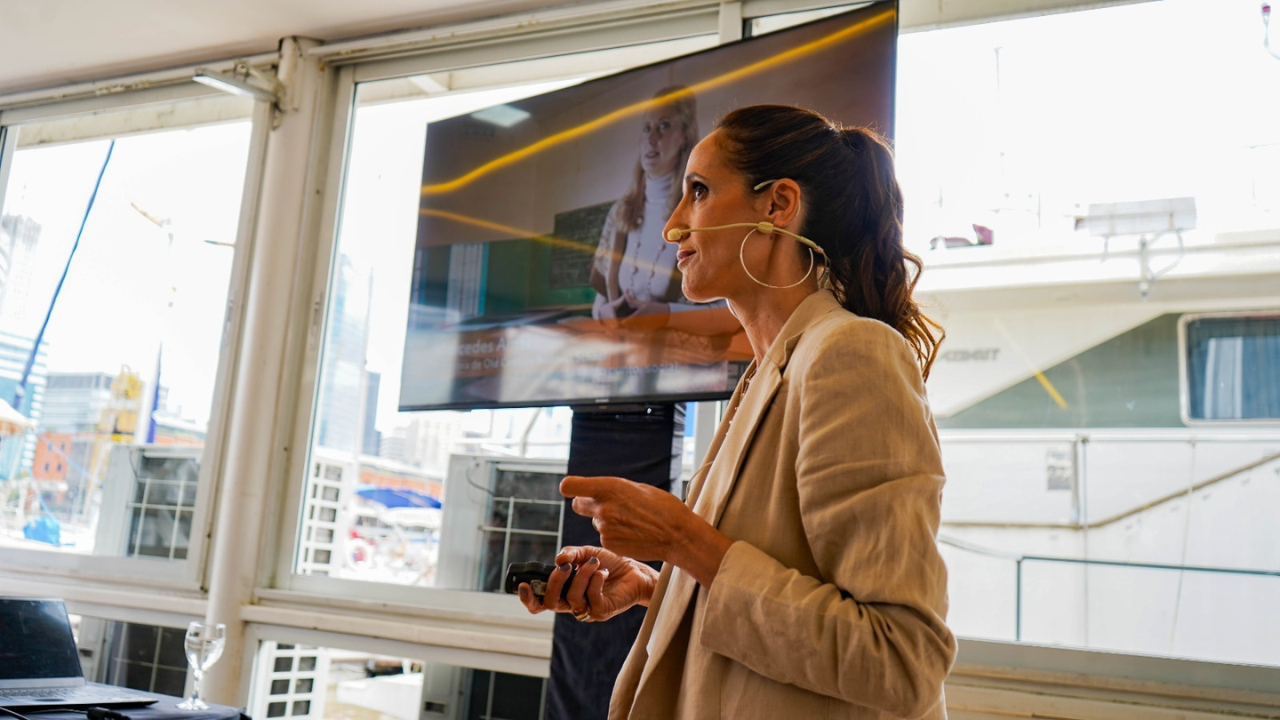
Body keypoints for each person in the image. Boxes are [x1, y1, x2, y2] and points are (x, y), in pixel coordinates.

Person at [520, 104, 956, 719]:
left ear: (778, 205)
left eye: (697, 192)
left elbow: (899, 660)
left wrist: (681, 539)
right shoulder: (768, 372)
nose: (673, 225)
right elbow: (778, 594)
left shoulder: (853, 353)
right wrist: (655, 586)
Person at [590, 86, 700, 323]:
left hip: (683, 358)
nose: (652, 138)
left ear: (685, 136)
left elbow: (727, 311)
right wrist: (602, 313)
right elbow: (600, 300)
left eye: (663, 126)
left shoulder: (701, 211)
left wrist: (666, 314)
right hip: (626, 357)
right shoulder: (619, 213)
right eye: (647, 129)